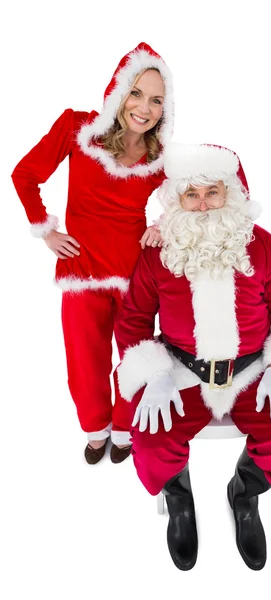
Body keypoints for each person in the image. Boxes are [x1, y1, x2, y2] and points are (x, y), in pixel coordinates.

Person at [115, 143, 271, 570]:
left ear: (232, 193)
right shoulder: (157, 252)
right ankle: (179, 498)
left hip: (253, 372)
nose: (203, 204)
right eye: (192, 194)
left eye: (213, 192)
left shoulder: (262, 246)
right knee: (149, 445)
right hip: (181, 372)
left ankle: (244, 493)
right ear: (178, 200)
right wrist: (153, 375)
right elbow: (132, 321)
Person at [11, 42, 174, 464]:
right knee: (85, 365)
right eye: (136, 93)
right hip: (82, 269)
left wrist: (162, 225)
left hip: (135, 274)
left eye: (156, 99)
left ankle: (124, 430)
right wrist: (46, 231)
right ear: (118, 91)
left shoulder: (160, 157)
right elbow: (25, 175)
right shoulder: (76, 128)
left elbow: (189, 199)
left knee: (135, 358)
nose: (144, 107)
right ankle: (96, 429)